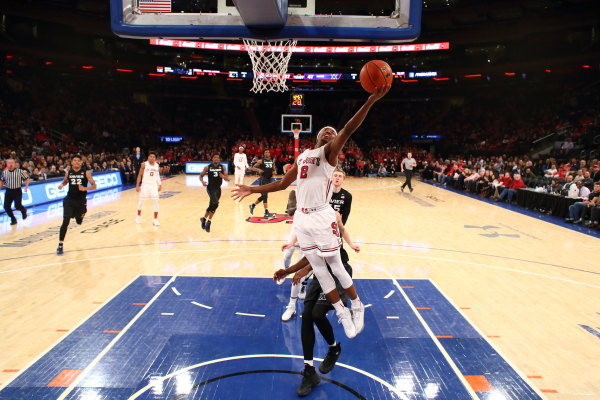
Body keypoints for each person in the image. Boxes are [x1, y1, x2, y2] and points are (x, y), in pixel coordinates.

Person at [233, 84, 390, 340]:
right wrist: (252, 190)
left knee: (335, 266)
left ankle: (356, 305)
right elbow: (284, 183)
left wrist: (371, 100)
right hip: (302, 218)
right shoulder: (305, 156)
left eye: (333, 132)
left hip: (321, 214)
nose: (330, 132)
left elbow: (349, 128)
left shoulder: (329, 154)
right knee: (318, 267)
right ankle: (341, 312)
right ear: (317, 136)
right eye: (326, 130)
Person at [274, 212, 360, 397]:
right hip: (319, 272)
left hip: (337, 271)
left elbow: (327, 254)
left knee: (318, 314)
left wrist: (304, 269)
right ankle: (309, 372)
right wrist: (288, 271)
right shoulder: (306, 217)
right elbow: (311, 255)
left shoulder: (330, 215)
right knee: (306, 316)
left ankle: (334, 348)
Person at [281, 169, 353, 321]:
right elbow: (298, 223)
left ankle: (345, 308)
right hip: (309, 237)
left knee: (331, 273)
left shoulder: (337, 206)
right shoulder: (306, 197)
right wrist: (292, 243)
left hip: (327, 239)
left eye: (340, 176)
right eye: (335, 176)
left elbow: (341, 226)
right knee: (299, 273)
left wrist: (351, 244)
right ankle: (292, 305)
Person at [56, 155, 96, 255]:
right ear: (72, 162)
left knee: (78, 221)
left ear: (81, 163)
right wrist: (61, 184)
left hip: (81, 200)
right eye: (75, 160)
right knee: (66, 220)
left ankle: (81, 215)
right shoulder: (69, 172)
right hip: (69, 199)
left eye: (78, 160)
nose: (77, 162)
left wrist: (85, 188)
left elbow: (94, 186)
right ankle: (60, 245)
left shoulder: (86, 173)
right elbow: (65, 181)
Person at [200, 154, 230, 232]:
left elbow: (228, 179)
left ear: (219, 159)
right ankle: (209, 222)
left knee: (212, 205)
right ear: (212, 159)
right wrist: (202, 181)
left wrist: (223, 177)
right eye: (214, 157)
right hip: (210, 188)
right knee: (216, 203)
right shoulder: (207, 167)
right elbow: (201, 175)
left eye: (217, 157)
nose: (216, 159)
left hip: (218, 189)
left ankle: (203, 219)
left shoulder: (222, 167)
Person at [0, 158, 30, 225]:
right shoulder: (4, 172)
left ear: (14, 164)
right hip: (8, 191)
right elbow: (2, 181)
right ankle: (13, 219)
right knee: (6, 207)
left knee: (17, 206)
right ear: (7, 164)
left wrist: (26, 187)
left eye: (12, 163)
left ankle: (23, 210)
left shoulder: (20, 171)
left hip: (17, 191)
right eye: (9, 163)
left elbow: (27, 179)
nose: (10, 164)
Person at [135, 152, 162, 226]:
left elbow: (157, 175)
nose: (152, 158)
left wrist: (160, 184)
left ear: (155, 158)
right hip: (145, 186)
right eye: (151, 156)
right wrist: (137, 185)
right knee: (141, 202)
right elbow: (139, 175)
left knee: (156, 202)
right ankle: (138, 216)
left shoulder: (157, 165)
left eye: (153, 157)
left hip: (153, 186)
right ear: (148, 157)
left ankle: (155, 219)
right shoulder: (144, 164)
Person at [248, 149, 276, 218]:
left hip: (269, 180)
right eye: (266, 152)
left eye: (268, 152)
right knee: (265, 196)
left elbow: (273, 170)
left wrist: (274, 172)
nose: (267, 153)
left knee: (264, 196)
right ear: (264, 154)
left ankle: (252, 205)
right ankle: (266, 212)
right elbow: (251, 167)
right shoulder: (261, 161)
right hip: (263, 180)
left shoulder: (271, 161)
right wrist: (258, 170)